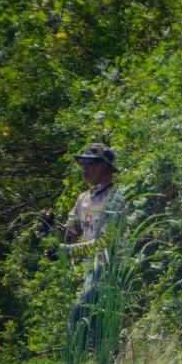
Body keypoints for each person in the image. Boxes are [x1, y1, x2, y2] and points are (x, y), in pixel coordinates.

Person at [60, 142, 126, 337]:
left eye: (91, 163)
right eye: (83, 163)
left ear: (105, 167)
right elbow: (69, 233)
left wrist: (71, 250)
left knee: (79, 313)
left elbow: (107, 241)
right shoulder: (83, 199)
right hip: (89, 268)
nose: (85, 168)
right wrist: (49, 226)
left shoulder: (115, 199)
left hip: (110, 269)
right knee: (100, 327)